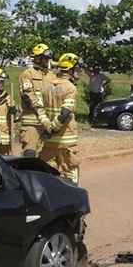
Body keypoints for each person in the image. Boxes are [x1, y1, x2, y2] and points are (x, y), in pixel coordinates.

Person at [37, 53, 80, 184]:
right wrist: (53, 128)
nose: (79, 72)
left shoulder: (46, 85)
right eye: (77, 69)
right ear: (71, 69)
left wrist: (47, 126)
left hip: (49, 141)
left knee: (47, 173)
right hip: (65, 140)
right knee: (70, 172)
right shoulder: (70, 88)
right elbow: (65, 113)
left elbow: (39, 108)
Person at [18, 43, 55, 156]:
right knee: (29, 155)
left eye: (48, 58)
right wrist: (41, 114)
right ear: (37, 58)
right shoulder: (28, 74)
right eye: (44, 58)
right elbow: (28, 96)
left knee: (47, 156)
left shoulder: (52, 75)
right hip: (32, 122)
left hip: (49, 122)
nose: (47, 60)